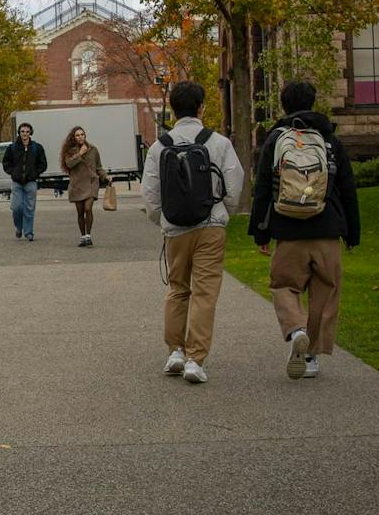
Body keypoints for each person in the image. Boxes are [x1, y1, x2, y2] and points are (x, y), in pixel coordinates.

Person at [249, 80, 361, 380]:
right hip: (328, 228)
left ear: (284, 105)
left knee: (284, 285)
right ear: (313, 102)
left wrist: (261, 233)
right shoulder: (330, 141)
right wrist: (352, 233)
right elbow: (348, 189)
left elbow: (261, 189)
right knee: (324, 292)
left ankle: (296, 329)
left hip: (288, 229)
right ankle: (311, 356)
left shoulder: (276, 139)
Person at [140, 80, 244, 384]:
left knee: (177, 288)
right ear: (201, 107)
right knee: (204, 292)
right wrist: (223, 212)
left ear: (172, 109)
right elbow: (234, 186)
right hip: (210, 224)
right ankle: (195, 359)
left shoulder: (159, 147)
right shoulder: (219, 142)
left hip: (175, 229)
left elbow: (150, 194)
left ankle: (175, 350)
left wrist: (164, 219)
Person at [60, 125, 109, 247]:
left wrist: (106, 176)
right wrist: (80, 154)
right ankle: (83, 236)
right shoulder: (69, 151)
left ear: (85, 135)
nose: (80, 137)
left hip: (91, 182)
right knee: (80, 212)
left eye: (82, 134)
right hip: (77, 184)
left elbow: (98, 167)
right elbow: (69, 164)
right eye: (77, 135)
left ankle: (88, 235)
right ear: (73, 137)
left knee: (88, 208)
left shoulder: (93, 149)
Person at [2, 122, 48, 240]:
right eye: (22, 131)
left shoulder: (37, 148)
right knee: (17, 207)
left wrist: (35, 173)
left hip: (31, 182)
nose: (25, 134)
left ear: (30, 133)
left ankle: (28, 232)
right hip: (17, 182)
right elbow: (6, 163)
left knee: (29, 208)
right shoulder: (12, 148)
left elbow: (43, 164)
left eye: (27, 132)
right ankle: (18, 227)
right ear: (19, 132)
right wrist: (13, 172)